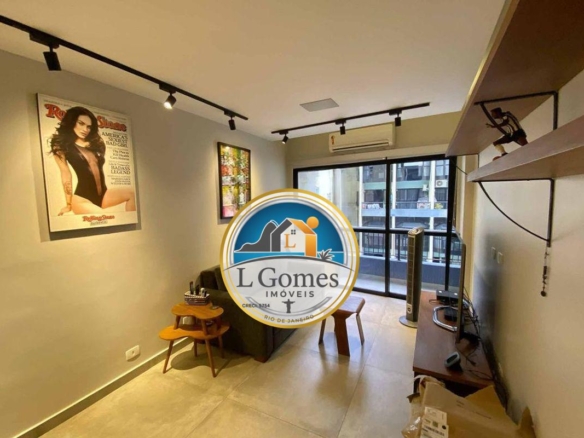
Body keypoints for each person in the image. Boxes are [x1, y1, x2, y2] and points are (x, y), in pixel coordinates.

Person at [49, 106, 136, 215]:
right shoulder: (61, 145)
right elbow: (66, 174)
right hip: (82, 199)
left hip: (104, 195)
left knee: (131, 193)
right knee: (105, 218)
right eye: (81, 123)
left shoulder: (97, 143)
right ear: (72, 122)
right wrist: (68, 204)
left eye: (89, 126)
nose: (85, 129)